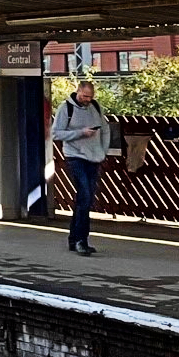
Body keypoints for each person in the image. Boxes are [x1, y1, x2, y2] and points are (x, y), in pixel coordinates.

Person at [50, 81, 109, 255]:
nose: (87, 100)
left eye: (90, 97)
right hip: (75, 156)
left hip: (94, 156)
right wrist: (80, 133)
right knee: (84, 194)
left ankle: (74, 238)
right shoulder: (66, 108)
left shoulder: (96, 107)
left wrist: (103, 150)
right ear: (78, 92)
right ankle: (81, 240)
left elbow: (105, 130)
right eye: (84, 96)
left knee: (87, 198)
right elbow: (56, 133)